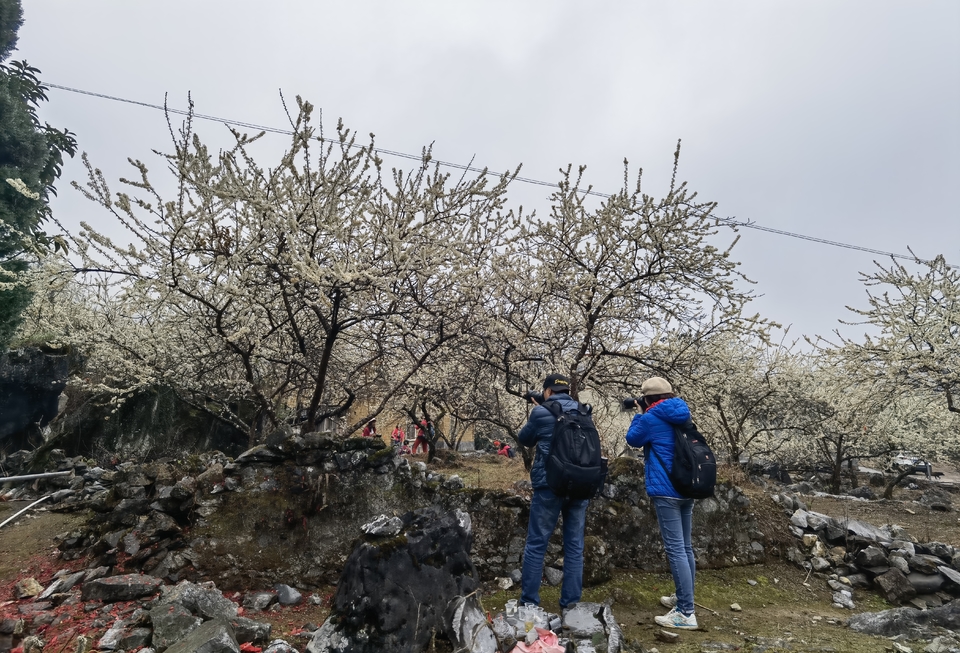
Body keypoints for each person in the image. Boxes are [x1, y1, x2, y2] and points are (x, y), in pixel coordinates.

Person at [625, 376, 699, 630]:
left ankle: (685, 613)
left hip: (665, 490)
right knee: (685, 547)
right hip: (686, 487)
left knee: (676, 549)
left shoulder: (650, 418)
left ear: (647, 399)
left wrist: (638, 414)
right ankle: (684, 598)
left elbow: (633, 439)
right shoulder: (682, 414)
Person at [517, 373, 590, 611]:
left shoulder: (541, 412)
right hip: (580, 484)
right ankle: (570, 604)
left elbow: (525, 439)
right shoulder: (583, 410)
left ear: (547, 391)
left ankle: (529, 602)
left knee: (537, 542)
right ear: (567, 391)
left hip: (550, 484)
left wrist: (538, 409)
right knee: (575, 545)